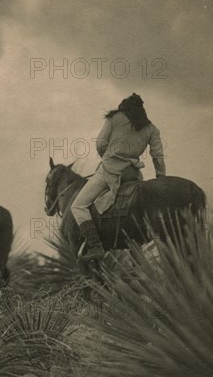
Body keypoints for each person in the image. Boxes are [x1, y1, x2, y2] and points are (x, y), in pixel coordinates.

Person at [71, 93, 166, 261]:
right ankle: (137, 252)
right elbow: (157, 156)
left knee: (78, 206)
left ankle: (95, 246)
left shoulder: (114, 118)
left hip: (109, 171)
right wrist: (160, 177)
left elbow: (100, 143)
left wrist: (107, 157)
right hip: (133, 174)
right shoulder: (152, 128)